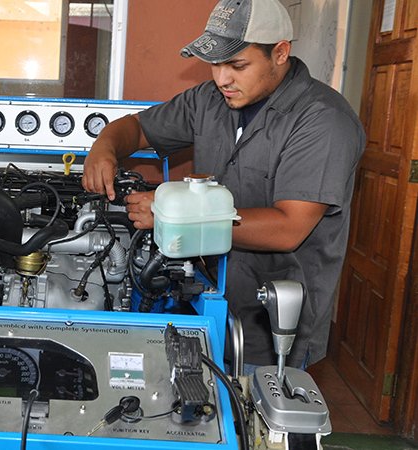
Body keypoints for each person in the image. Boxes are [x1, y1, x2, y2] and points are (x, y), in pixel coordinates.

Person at [83, 0, 365, 370]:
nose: (222, 79)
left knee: (257, 420)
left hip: (271, 323)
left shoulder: (323, 122)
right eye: (215, 63)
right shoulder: (209, 100)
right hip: (205, 298)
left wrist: (175, 215)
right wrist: (104, 146)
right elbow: (137, 128)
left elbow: (288, 227)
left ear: (280, 53)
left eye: (237, 65)